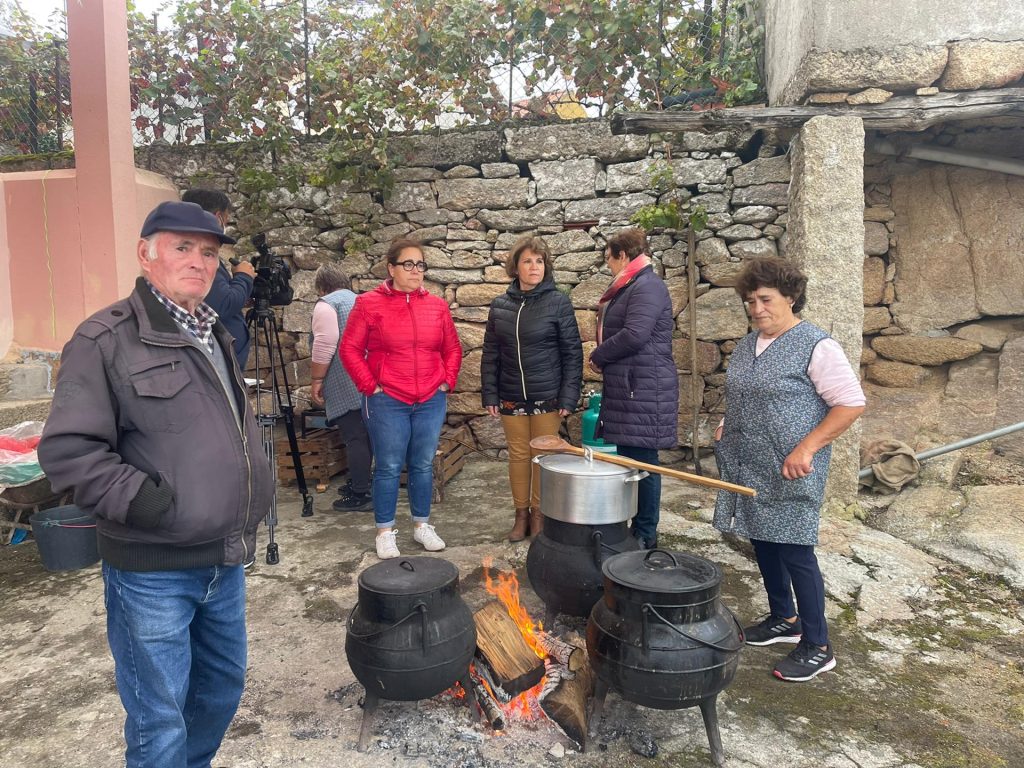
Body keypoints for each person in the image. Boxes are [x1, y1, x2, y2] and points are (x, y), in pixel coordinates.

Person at [37, 200, 274, 768]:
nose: (199, 261)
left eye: (210, 252)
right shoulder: (104, 340)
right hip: (154, 571)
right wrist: (147, 503)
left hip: (224, 560)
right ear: (146, 255)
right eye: (182, 247)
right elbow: (68, 449)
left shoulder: (211, 333)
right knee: (160, 719)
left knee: (219, 695)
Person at [713, 257, 865, 682]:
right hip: (750, 462)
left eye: (765, 299)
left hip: (792, 466)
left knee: (796, 550)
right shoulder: (748, 345)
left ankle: (818, 644)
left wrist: (808, 447)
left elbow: (850, 403)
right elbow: (744, 393)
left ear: (791, 297)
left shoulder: (816, 345)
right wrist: (729, 421)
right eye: (750, 301)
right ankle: (784, 617)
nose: (757, 308)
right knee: (763, 540)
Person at [340, 238, 462, 560]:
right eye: (408, 264)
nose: (416, 271)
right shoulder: (368, 303)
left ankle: (422, 525)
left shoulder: (436, 306)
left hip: (430, 399)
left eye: (420, 265)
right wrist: (370, 386)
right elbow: (349, 349)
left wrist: (447, 381)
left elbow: (451, 348)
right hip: (387, 399)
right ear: (391, 268)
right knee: (389, 465)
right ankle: (384, 530)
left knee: (422, 463)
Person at [481, 235, 583, 541]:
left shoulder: (558, 302)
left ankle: (539, 516)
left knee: (542, 457)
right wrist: (490, 393)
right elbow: (491, 354)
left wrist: (568, 395)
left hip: (548, 397)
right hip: (510, 395)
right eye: (527, 261)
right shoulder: (500, 306)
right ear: (516, 267)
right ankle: (520, 515)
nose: (534, 266)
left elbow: (572, 352)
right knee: (518, 455)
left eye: (539, 261)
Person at [588, 228, 678, 550]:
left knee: (643, 464)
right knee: (631, 461)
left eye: (609, 259)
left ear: (622, 255)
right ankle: (635, 528)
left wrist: (598, 355)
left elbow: (635, 334)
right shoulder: (634, 285)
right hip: (633, 386)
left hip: (642, 388)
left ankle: (645, 535)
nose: (608, 265)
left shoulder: (646, 286)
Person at [309, 262, 373, 511]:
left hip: (345, 378)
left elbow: (325, 343)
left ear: (321, 286)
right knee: (368, 437)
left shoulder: (327, 304)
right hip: (368, 377)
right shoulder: (361, 300)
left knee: (355, 437)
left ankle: (360, 493)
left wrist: (316, 380)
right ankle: (363, 483)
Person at [181, 188, 255, 369]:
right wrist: (244, 277)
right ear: (219, 217)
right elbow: (225, 304)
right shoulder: (197, 263)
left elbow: (213, 300)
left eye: (210, 254)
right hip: (219, 356)